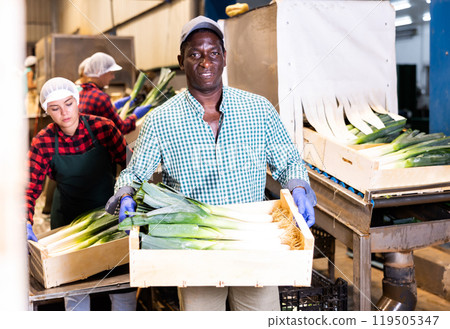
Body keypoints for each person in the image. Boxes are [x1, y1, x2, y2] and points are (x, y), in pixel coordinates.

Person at [105, 15, 317, 311]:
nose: (206, 62)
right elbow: (135, 172)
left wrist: (298, 187)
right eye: (195, 54)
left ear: (225, 58)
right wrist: (125, 192)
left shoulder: (258, 109)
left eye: (213, 53)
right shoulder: (161, 120)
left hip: (254, 246)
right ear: (181, 60)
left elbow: (288, 160)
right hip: (194, 250)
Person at [26, 77, 136, 311]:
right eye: (55, 108)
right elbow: (30, 187)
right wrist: (23, 220)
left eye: (68, 103)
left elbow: (131, 165)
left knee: (123, 286)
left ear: (77, 101)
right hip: (69, 221)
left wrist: (129, 194)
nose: (64, 113)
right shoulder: (43, 141)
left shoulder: (103, 128)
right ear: (48, 111)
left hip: (111, 217)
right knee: (75, 289)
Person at [78, 52, 151, 135]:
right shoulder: (100, 97)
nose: (113, 77)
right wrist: (135, 116)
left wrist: (114, 107)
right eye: (111, 73)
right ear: (100, 72)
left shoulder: (82, 93)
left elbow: (97, 114)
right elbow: (121, 129)